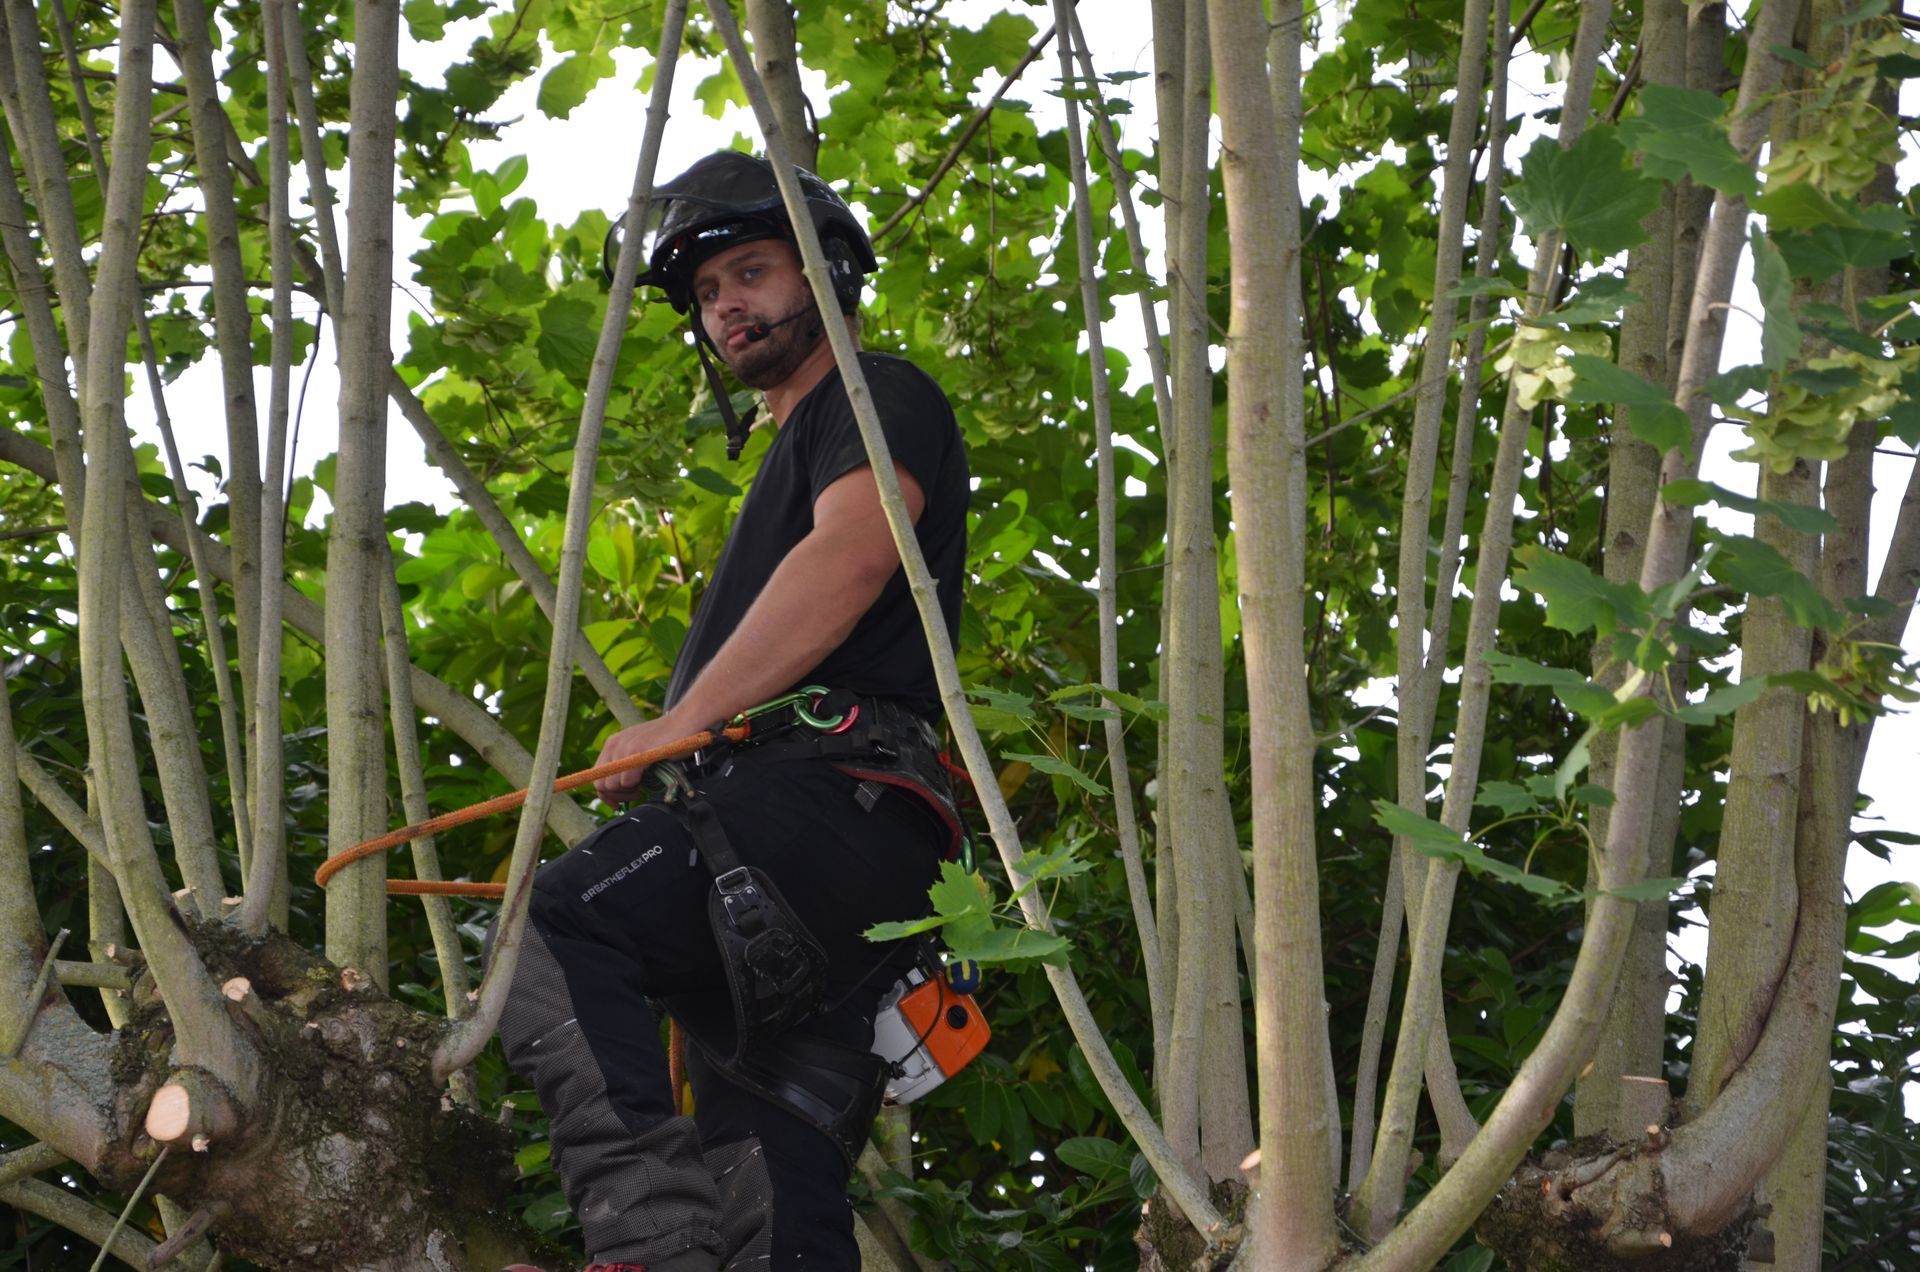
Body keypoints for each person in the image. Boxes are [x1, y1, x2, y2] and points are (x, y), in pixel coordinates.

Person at [497, 150, 970, 1272]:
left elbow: (859, 553)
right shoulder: (785, 459)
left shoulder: (875, 395)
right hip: (836, 845)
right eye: (708, 294)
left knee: (555, 925)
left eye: (751, 273)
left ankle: (647, 1250)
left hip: (830, 802)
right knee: (766, 1154)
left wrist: (679, 721)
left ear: (827, 273)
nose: (726, 307)